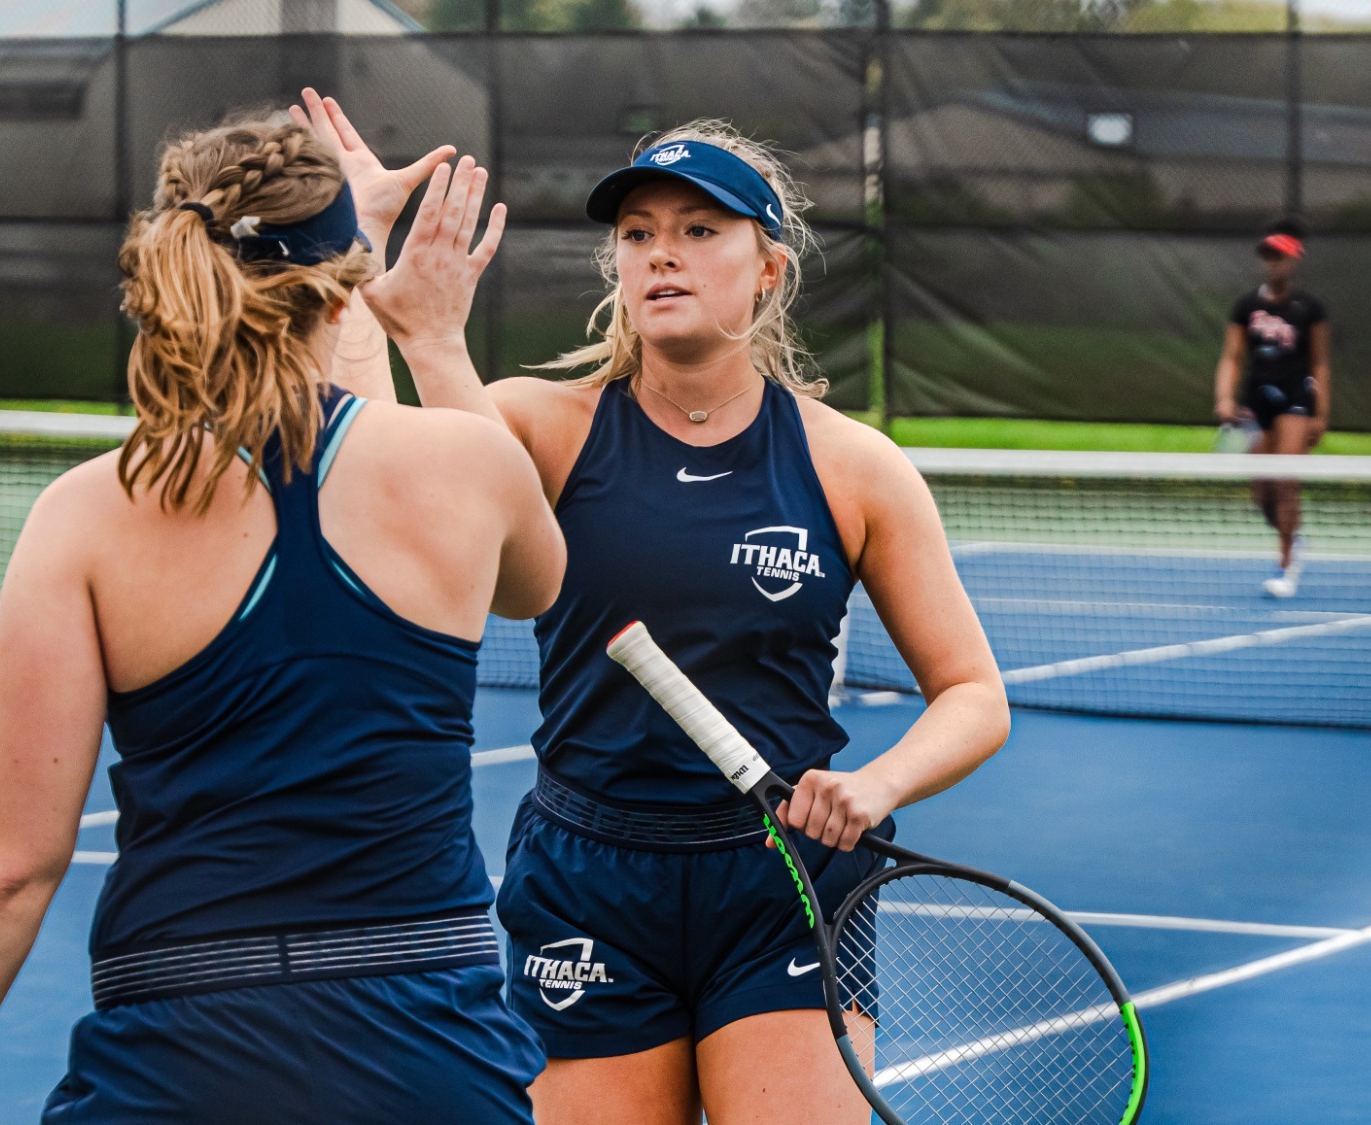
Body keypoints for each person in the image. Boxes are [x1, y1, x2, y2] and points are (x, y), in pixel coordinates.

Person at [320, 97, 1010, 1125]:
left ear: (768, 265)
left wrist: (875, 784)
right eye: (637, 234)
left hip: (782, 883)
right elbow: (363, 467)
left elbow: (970, 695)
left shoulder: (851, 466)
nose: (660, 256)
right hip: (587, 883)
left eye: (698, 231)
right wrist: (362, 268)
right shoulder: (535, 425)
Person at [0, 109, 564, 1125]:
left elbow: (7, 871)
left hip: (180, 1054)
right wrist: (410, 321)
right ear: (339, 283)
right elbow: (535, 584)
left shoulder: (87, 516)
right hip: (430, 1056)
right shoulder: (464, 470)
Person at [1213, 218, 1333, 598]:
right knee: (1262, 490)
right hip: (1257, 400)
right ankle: (1292, 536)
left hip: (1296, 397)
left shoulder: (1309, 308)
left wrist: (1321, 413)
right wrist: (1224, 398)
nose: (1272, 263)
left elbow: (1320, 363)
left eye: (1279, 256)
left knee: (1285, 478)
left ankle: (1285, 565)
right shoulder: (1246, 305)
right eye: (1267, 256)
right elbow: (1232, 356)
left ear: (1294, 260)